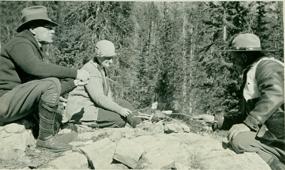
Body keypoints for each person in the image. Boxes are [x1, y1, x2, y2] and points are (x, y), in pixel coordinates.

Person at [0, 6, 90, 152]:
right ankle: (45, 140)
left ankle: (46, 136)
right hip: (4, 101)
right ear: (33, 28)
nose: (53, 31)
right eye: (48, 27)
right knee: (51, 83)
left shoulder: (32, 46)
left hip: (13, 101)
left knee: (56, 116)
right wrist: (75, 73)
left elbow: (39, 86)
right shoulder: (20, 43)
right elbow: (35, 69)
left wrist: (73, 83)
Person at [195, 33, 284, 170]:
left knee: (239, 140)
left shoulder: (267, 66)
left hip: (280, 140)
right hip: (276, 139)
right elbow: (246, 117)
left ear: (243, 57)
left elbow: (276, 94)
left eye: (234, 58)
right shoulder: (254, 71)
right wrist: (217, 120)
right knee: (238, 137)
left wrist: (249, 124)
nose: (233, 63)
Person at [66, 40, 142, 128]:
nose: (111, 61)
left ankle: (139, 123)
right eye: (108, 58)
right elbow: (99, 98)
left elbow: (107, 96)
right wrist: (119, 110)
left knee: (123, 103)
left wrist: (118, 107)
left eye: (112, 58)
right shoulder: (90, 70)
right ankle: (82, 123)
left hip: (95, 105)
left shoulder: (101, 68)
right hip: (82, 110)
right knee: (119, 119)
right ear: (99, 55)